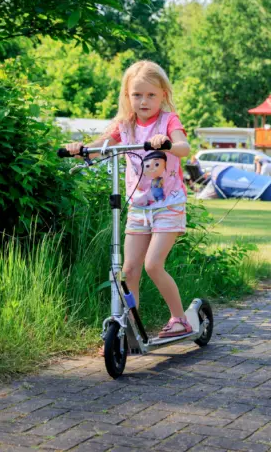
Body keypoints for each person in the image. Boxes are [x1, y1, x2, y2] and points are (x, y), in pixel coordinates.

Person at [62, 60, 193, 346]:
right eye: (137, 95)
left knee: (153, 264)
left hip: (168, 204)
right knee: (129, 270)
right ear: (127, 96)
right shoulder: (125, 124)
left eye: (150, 95)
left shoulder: (168, 121)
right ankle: (132, 328)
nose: (144, 101)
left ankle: (179, 318)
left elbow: (184, 147)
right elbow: (100, 145)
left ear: (163, 95)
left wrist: (167, 144)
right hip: (138, 206)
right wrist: (80, 149)